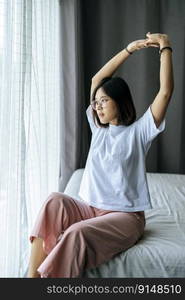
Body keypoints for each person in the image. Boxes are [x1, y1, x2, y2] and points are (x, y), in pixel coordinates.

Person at [27, 32, 174, 278]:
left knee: (77, 234)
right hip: (90, 209)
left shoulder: (140, 131)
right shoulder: (98, 128)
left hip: (125, 217)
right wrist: (129, 49)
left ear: (119, 101)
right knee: (53, 201)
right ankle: (30, 281)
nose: (98, 107)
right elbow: (98, 78)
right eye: (96, 103)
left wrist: (165, 47)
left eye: (104, 101)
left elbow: (165, 92)